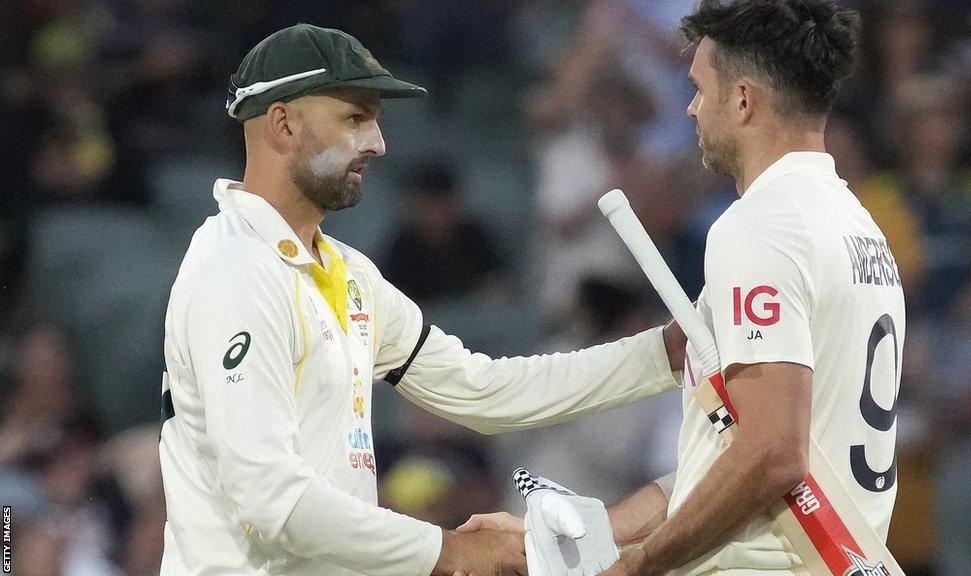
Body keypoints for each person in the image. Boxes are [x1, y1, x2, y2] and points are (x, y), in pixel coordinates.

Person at [157, 23, 687, 576]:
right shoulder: (235, 270)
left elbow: (481, 390)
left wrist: (659, 356)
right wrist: (452, 551)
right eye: (355, 117)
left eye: (376, 121)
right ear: (283, 124)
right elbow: (271, 500)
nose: (377, 143)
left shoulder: (348, 272)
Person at [465, 1, 904, 575]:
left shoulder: (762, 226)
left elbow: (771, 455)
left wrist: (643, 564)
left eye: (698, 89)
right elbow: (731, 463)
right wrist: (574, 539)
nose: (691, 109)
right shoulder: (860, 228)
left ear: (743, 100)